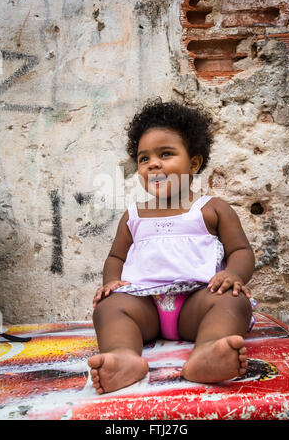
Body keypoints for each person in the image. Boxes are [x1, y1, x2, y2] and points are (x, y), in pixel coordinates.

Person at [88, 100, 255, 395]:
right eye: (143, 159)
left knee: (232, 300)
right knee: (109, 308)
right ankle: (124, 357)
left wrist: (235, 276)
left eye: (166, 154)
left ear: (193, 163)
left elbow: (241, 251)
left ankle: (208, 351)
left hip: (198, 303)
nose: (153, 164)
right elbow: (116, 256)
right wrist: (111, 283)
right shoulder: (134, 215)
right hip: (145, 307)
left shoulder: (211, 209)